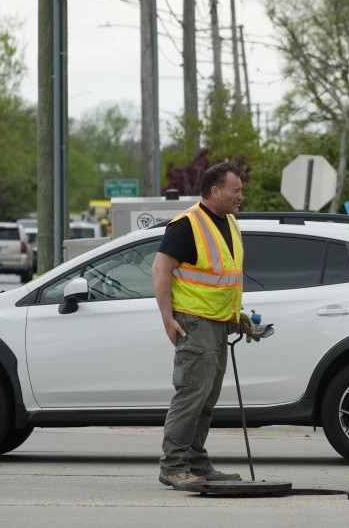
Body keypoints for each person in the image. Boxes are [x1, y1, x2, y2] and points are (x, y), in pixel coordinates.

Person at [152, 162, 245, 490]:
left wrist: (238, 315)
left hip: (219, 324)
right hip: (194, 323)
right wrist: (167, 318)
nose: (240, 197)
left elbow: (224, 277)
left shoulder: (228, 223)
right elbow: (160, 270)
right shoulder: (187, 224)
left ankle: (195, 462)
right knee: (192, 393)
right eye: (236, 191)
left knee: (207, 397)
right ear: (215, 191)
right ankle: (173, 465)